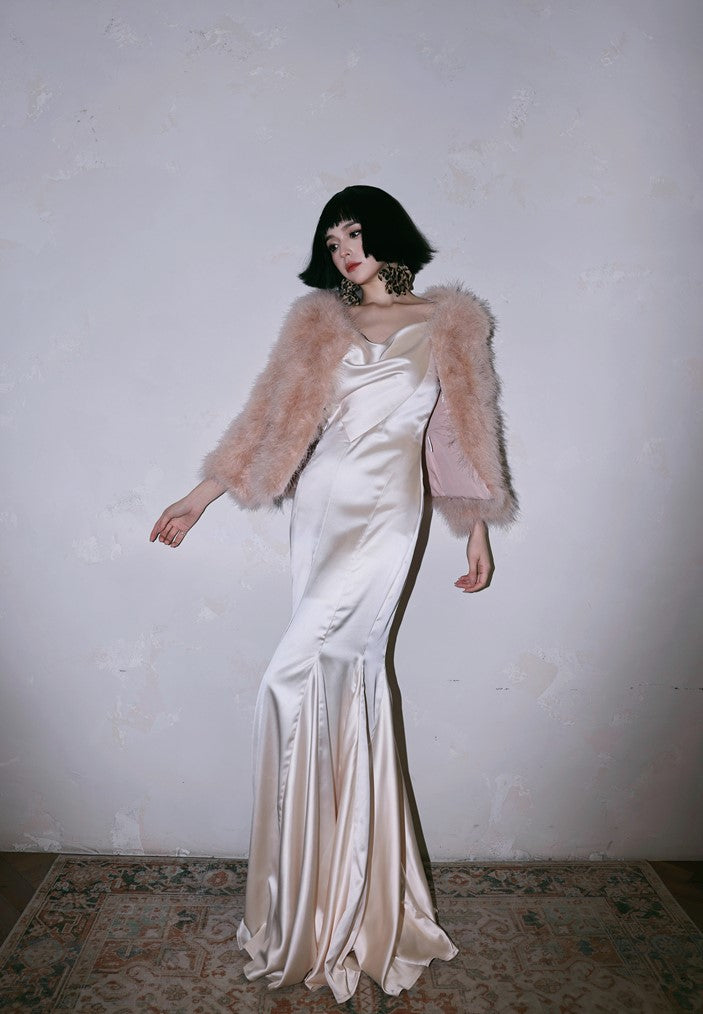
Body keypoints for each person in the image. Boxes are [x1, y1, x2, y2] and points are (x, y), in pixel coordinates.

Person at [150, 185, 516, 1003]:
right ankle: (317, 898)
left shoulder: (449, 321)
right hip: (319, 508)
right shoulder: (318, 323)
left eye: (354, 233)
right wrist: (200, 496)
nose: (344, 249)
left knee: (307, 674)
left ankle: (353, 894)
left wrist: (476, 527)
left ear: (386, 235)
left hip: (388, 512)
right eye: (332, 239)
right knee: (323, 678)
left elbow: (458, 432)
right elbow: (267, 420)